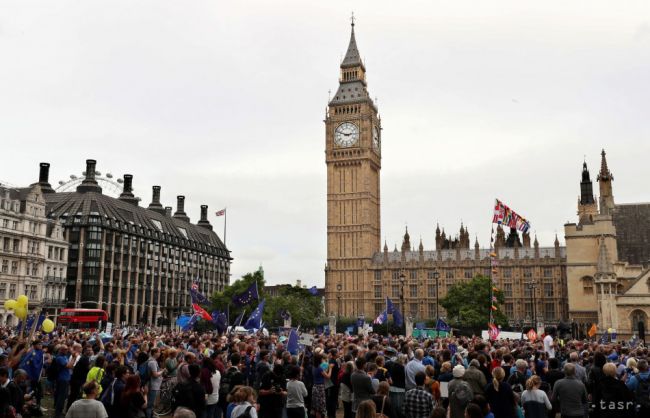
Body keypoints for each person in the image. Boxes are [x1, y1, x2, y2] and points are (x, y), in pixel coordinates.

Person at [54, 345, 75, 418]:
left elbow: (71, 365)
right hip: (62, 379)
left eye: (67, 349)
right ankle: (57, 413)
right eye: (65, 349)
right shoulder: (59, 358)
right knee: (61, 397)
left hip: (66, 378)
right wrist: (74, 357)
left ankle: (58, 411)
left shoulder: (65, 356)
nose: (67, 350)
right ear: (61, 350)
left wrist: (71, 361)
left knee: (63, 395)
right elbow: (69, 366)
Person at [67, 344, 91, 409]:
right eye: (80, 347)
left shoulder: (80, 356)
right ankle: (70, 409)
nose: (81, 348)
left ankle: (70, 408)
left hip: (76, 378)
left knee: (74, 395)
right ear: (76, 348)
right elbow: (73, 367)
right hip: (76, 378)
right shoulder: (77, 356)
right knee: (74, 395)